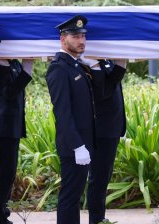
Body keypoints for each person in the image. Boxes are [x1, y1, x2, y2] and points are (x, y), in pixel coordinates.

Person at [45, 15, 102, 224]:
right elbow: (63, 113)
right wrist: (78, 146)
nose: (82, 41)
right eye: (76, 36)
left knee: (74, 195)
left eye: (83, 36)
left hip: (83, 143)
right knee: (70, 196)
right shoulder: (59, 68)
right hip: (73, 146)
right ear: (63, 39)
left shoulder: (75, 66)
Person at [0, 53, 34, 224]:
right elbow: (8, 92)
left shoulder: (12, 62)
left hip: (11, 127)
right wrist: (27, 72)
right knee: (5, 173)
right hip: (3, 128)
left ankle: (1, 213)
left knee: (8, 173)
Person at [86, 55, 127, 224]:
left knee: (103, 177)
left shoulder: (106, 62)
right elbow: (103, 91)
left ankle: (99, 217)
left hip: (111, 129)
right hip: (101, 131)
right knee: (98, 178)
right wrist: (121, 67)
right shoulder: (90, 64)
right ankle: (96, 219)